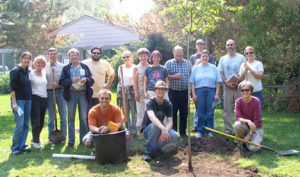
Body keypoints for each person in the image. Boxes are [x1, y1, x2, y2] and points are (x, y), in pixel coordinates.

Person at [59, 48, 94, 147]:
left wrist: (86, 80)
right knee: (70, 118)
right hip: (71, 94)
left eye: (75, 55)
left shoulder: (84, 67)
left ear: (79, 56)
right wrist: (71, 80)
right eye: (71, 55)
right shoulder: (66, 68)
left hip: (83, 94)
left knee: (83, 117)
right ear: (69, 57)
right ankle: (71, 141)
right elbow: (61, 81)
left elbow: (91, 80)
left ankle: (83, 139)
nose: (74, 57)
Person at [141, 80, 179, 161]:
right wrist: (163, 128)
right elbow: (152, 118)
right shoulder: (149, 103)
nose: (160, 91)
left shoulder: (168, 104)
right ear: (155, 90)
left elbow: (170, 121)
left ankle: (159, 148)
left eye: (163, 89)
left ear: (165, 91)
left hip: (161, 129)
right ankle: (148, 152)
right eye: (158, 89)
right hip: (148, 130)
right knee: (155, 126)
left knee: (174, 136)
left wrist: (166, 130)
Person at [190, 50, 222, 138]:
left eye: (206, 56)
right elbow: (192, 83)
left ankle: (210, 130)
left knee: (210, 111)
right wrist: (193, 94)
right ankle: (200, 131)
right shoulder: (196, 68)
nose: (204, 58)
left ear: (208, 58)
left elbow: (217, 82)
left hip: (211, 90)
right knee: (200, 112)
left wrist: (217, 93)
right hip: (199, 91)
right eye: (203, 56)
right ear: (201, 57)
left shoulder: (213, 68)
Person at [217, 39, 246, 134]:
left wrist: (238, 82)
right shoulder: (222, 59)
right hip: (227, 87)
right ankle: (228, 129)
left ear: (235, 45)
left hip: (239, 87)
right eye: (228, 45)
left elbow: (245, 71)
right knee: (227, 109)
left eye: (231, 44)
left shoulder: (241, 57)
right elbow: (220, 72)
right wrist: (226, 82)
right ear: (226, 46)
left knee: (241, 108)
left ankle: (241, 129)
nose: (230, 46)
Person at [165, 46, 192, 137]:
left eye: (180, 52)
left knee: (184, 112)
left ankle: (183, 132)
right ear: (173, 53)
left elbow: (191, 77)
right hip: (173, 92)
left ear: (183, 53)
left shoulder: (188, 63)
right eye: (177, 52)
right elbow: (165, 76)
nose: (179, 54)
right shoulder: (168, 63)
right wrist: (174, 76)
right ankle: (174, 132)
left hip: (185, 92)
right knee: (173, 112)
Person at [190, 39, 215, 132]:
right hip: (197, 87)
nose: (200, 46)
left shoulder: (210, 57)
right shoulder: (193, 57)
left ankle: (208, 128)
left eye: (202, 44)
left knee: (209, 109)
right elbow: (191, 71)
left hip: (209, 86)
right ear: (196, 46)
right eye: (198, 44)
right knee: (199, 109)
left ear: (204, 45)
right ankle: (198, 126)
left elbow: (211, 68)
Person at [9, 51, 32, 155]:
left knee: (26, 124)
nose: (27, 60)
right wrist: (14, 103)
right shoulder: (15, 71)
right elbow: (12, 89)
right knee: (20, 125)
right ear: (21, 59)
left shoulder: (27, 70)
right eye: (25, 58)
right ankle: (15, 148)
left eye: (28, 58)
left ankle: (22, 146)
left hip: (28, 100)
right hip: (19, 102)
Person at [45, 47, 67, 143]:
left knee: (63, 115)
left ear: (57, 54)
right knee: (51, 117)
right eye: (51, 54)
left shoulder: (62, 66)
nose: (53, 55)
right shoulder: (44, 67)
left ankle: (63, 137)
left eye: (54, 53)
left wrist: (58, 84)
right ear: (48, 55)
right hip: (50, 92)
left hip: (60, 92)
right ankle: (51, 137)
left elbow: (66, 80)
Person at [234, 81, 263, 151]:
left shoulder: (256, 101)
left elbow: (256, 121)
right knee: (237, 125)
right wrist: (248, 121)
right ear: (240, 92)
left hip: (256, 127)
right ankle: (243, 140)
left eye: (247, 90)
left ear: (251, 91)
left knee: (253, 148)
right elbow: (237, 117)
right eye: (242, 90)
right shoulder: (238, 101)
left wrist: (249, 134)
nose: (245, 92)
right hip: (245, 126)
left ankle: (248, 139)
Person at [29, 55, 48, 149]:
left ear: (44, 64)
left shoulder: (44, 73)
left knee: (41, 121)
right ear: (34, 64)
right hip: (35, 98)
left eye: (41, 63)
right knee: (35, 121)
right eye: (37, 63)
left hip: (44, 98)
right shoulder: (31, 73)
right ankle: (36, 141)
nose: (39, 64)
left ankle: (35, 137)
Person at [117, 50, 137, 136]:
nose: (126, 58)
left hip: (132, 90)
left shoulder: (135, 67)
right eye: (124, 57)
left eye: (127, 56)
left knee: (134, 111)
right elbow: (120, 79)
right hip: (123, 91)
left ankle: (134, 130)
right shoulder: (120, 67)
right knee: (125, 111)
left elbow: (136, 81)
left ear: (131, 57)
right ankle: (127, 129)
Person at [133, 48, 150, 132]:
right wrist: (136, 93)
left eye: (145, 55)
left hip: (149, 93)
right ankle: (140, 130)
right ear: (139, 57)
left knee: (149, 111)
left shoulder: (150, 67)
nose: (143, 57)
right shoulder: (136, 68)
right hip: (139, 92)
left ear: (148, 56)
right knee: (140, 111)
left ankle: (148, 129)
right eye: (141, 56)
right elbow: (135, 82)